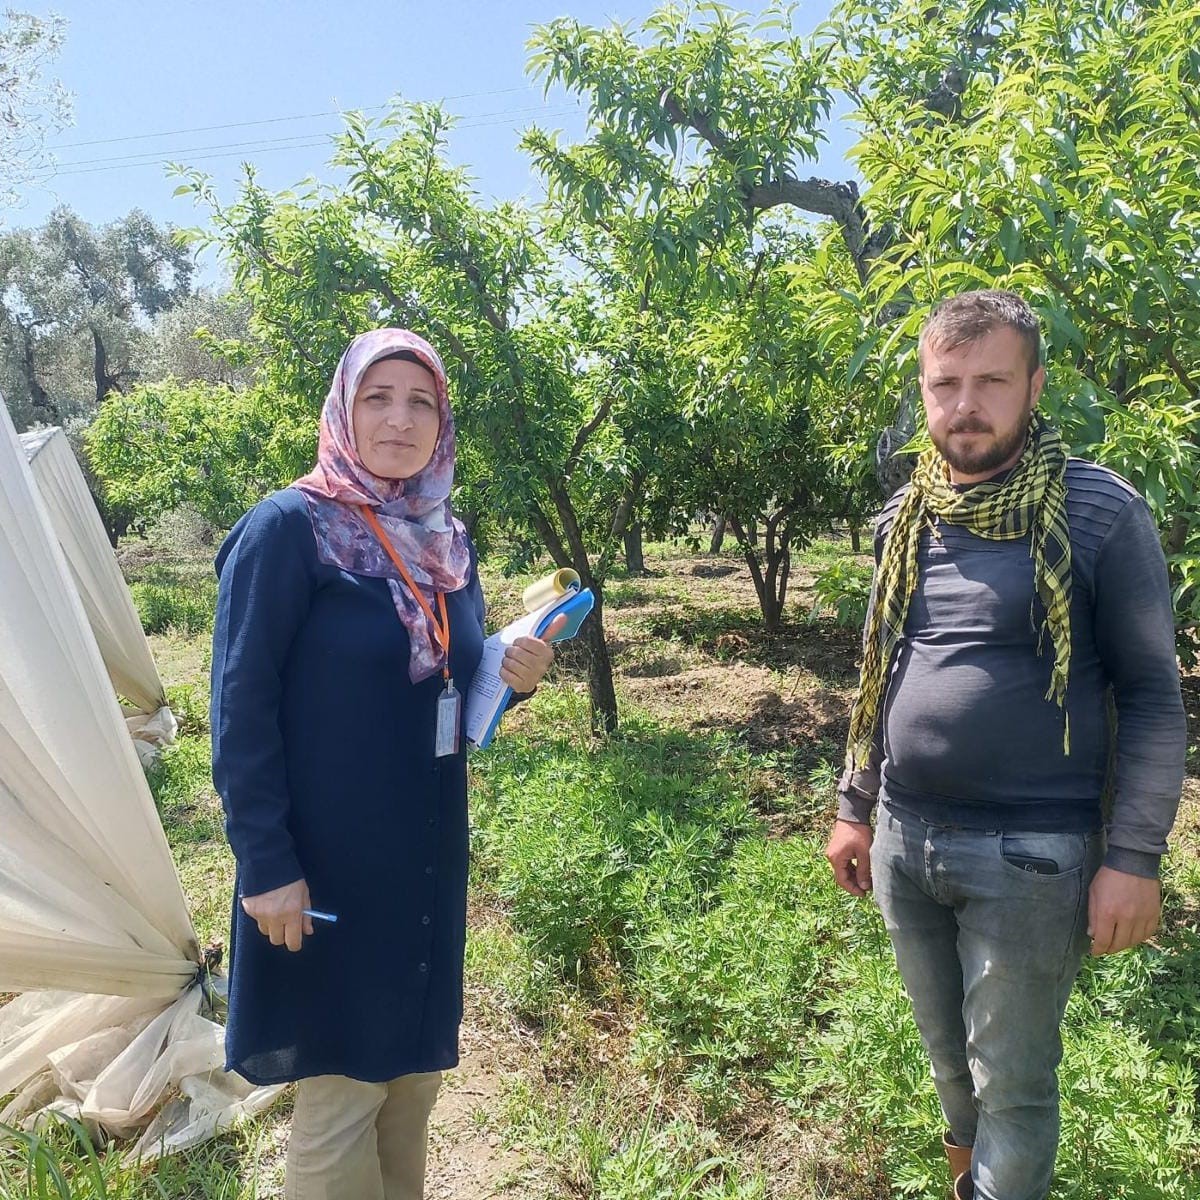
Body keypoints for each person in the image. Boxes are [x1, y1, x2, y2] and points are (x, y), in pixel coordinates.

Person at [824, 290, 1185, 1200]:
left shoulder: (1098, 512)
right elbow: (880, 665)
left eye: (990, 380)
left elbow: (1151, 696)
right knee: (950, 1067)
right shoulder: (909, 515)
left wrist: (1135, 858)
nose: (965, 405)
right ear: (923, 390)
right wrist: (853, 805)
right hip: (908, 839)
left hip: (1033, 852)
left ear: (1034, 385)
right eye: (945, 383)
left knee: (1013, 1089)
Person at [211, 328, 563, 1200]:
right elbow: (239, 711)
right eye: (379, 398)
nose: (400, 420)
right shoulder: (289, 529)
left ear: (442, 421)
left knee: (409, 1081)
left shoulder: (444, 537)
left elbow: (451, 677)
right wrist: (266, 865)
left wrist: (512, 678)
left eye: (421, 402)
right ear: (343, 408)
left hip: (425, 851)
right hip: (328, 859)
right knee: (342, 1090)